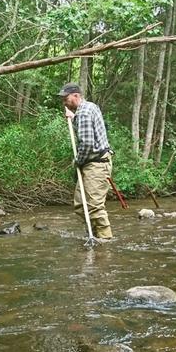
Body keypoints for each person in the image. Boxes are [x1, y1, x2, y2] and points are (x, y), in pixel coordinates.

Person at [61, 82, 114, 240]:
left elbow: (87, 144)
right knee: (80, 206)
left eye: (66, 99)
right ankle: (94, 236)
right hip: (92, 164)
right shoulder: (88, 108)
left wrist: (78, 161)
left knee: (94, 207)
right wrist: (73, 117)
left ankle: (105, 242)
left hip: (96, 165)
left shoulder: (83, 113)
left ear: (76, 95)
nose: (64, 103)